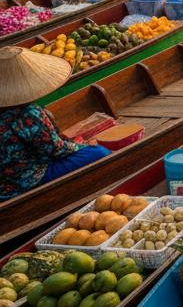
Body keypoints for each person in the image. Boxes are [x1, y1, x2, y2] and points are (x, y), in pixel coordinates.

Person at [0, 47, 111, 199]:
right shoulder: (28, 113)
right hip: (24, 181)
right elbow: (56, 150)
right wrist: (82, 145)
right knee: (99, 152)